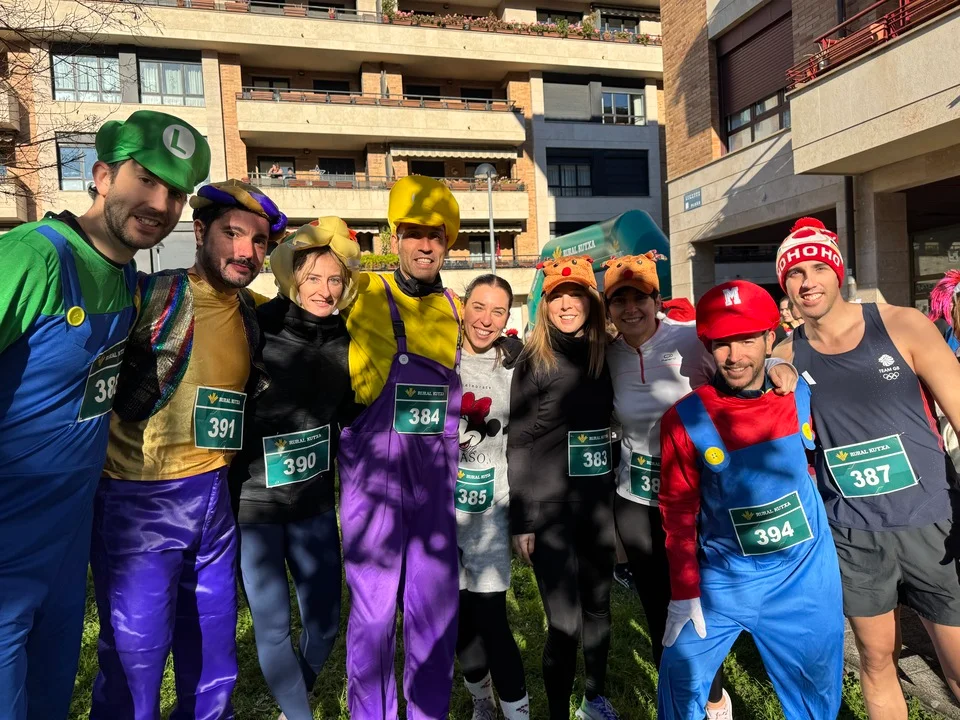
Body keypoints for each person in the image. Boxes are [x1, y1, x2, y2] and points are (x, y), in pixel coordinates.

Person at [0, 110, 209, 720]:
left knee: (48, 700)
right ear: (101, 176)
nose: (161, 204)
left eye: (176, 193)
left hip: (67, 545)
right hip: (7, 537)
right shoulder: (31, 256)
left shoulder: (125, 279)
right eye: (146, 180)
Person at [89, 180, 287, 720]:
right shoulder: (154, 295)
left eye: (259, 242)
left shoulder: (247, 311)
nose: (246, 251)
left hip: (214, 500)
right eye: (232, 234)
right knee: (134, 658)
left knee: (214, 647)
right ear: (200, 231)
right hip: (139, 503)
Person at [773, 217, 960, 717]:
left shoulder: (902, 324)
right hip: (853, 534)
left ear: (838, 272)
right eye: (795, 273)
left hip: (932, 523)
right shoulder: (786, 355)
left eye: (818, 268)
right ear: (784, 284)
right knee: (877, 663)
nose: (807, 281)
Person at [603, 254, 796, 720]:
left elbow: (743, 357)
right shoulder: (606, 355)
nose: (630, 309)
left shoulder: (688, 338)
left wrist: (776, 363)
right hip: (637, 500)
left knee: (708, 604)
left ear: (657, 300)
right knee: (661, 608)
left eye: (639, 298)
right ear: (608, 310)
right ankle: (681, 696)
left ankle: (715, 701)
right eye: (619, 300)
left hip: (703, 497)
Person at [657, 280, 844, 719]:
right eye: (722, 343)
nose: (734, 355)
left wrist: (782, 366)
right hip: (725, 579)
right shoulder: (685, 418)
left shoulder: (799, 394)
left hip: (804, 576)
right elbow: (677, 511)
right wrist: (684, 591)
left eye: (746, 340)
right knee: (678, 678)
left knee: (816, 696)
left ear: (768, 338)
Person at [339, 175, 463, 720]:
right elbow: (303, 290)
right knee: (372, 614)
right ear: (395, 239)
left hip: (435, 480)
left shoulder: (456, 308)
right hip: (374, 480)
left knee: (433, 609)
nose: (425, 245)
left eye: (436, 236)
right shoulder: (363, 292)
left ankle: (427, 713)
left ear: (448, 244)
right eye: (414, 234)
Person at [229, 217, 360, 720]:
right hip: (257, 507)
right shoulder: (258, 326)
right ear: (291, 279)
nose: (324, 290)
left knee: (324, 624)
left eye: (334, 280)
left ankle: (292, 703)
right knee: (273, 629)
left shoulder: (349, 337)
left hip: (314, 505)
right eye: (312, 278)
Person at [509, 253, 619, 720]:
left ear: (591, 302)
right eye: (558, 297)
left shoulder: (606, 353)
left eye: (576, 295)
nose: (567, 305)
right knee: (565, 623)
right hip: (550, 511)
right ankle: (557, 713)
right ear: (545, 304)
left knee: (598, 608)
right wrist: (522, 520)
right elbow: (518, 442)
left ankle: (593, 698)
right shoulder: (533, 359)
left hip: (597, 507)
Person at [455, 275, 528, 720]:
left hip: (489, 513)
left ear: (507, 318)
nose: (486, 320)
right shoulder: (437, 355)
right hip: (437, 517)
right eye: (478, 307)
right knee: (460, 619)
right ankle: (481, 700)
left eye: (497, 311)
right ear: (463, 306)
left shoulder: (516, 365)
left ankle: (517, 713)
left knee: (492, 619)